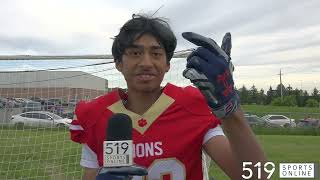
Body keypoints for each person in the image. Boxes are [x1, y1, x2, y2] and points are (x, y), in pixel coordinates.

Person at [70, 14, 267, 180]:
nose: (146, 62)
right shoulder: (95, 115)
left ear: (168, 64)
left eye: (156, 54)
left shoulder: (191, 106)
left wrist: (230, 109)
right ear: (118, 63)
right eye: (135, 52)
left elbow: (256, 175)